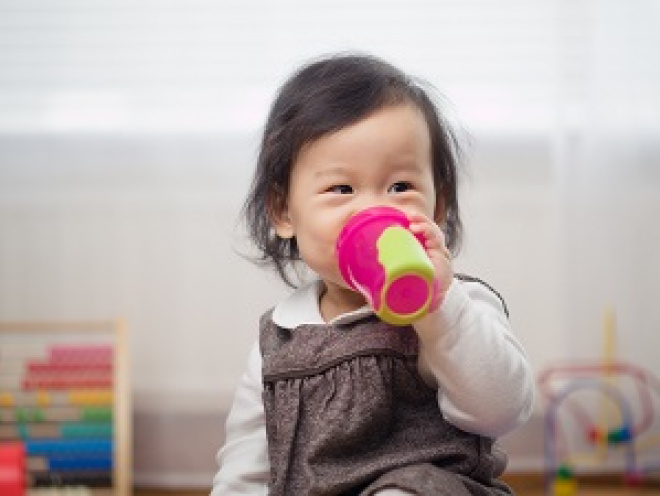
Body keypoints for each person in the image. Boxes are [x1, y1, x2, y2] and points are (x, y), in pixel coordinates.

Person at [210, 53, 534, 496]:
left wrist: (440, 308)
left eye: (400, 187)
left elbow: (501, 410)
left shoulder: (458, 306)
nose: (373, 210)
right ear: (284, 211)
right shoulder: (279, 338)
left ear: (436, 208)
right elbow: (244, 470)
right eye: (341, 189)